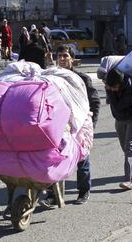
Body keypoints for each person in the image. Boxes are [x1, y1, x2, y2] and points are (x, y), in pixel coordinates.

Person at [42, 45, 100, 206]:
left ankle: (83, 191)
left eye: (66, 56)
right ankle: (54, 196)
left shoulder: (81, 79)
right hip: (59, 126)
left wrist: (90, 124)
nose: (62, 59)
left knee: (82, 159)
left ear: (73, 59)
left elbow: (94, 101)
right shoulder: (53, 78)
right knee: (55, 160)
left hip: (80, 124)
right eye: (60, 56)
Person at [105, 68, 132, 190]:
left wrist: (111, 94)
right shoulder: (110, 86)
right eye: (110, 87)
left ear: (121, 83)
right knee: (124, 146)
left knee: (129, 147)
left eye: (114, 87)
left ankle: (129, 179)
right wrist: (110, 90)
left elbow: (119, 105)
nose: (112, 89)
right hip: (119, 119)